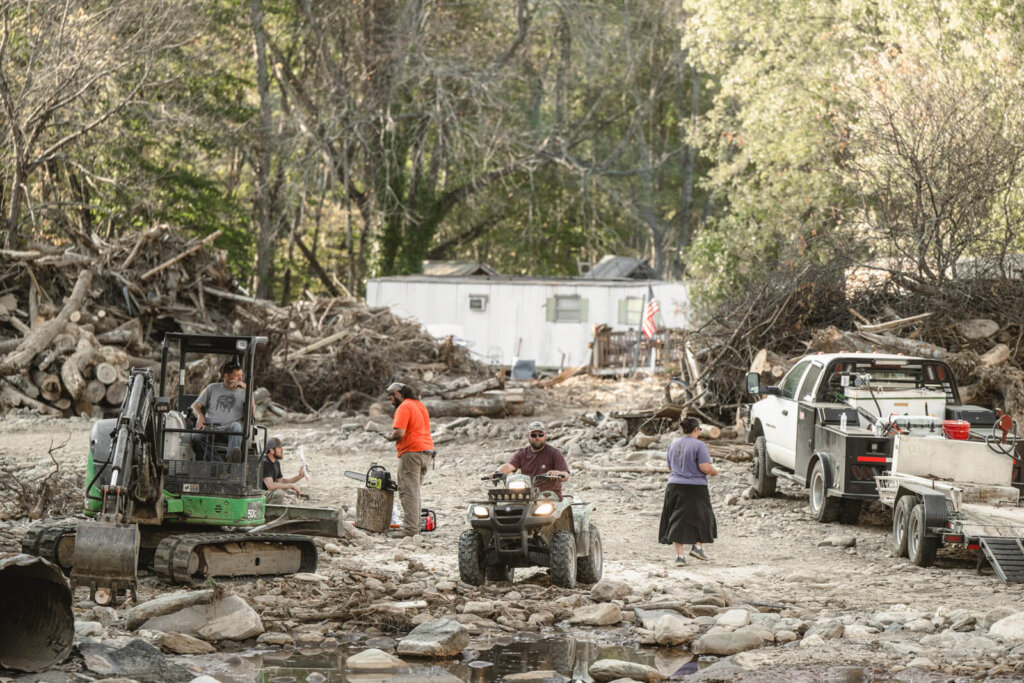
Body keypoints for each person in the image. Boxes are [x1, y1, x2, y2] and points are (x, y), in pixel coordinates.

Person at [658, 416, 719, 565]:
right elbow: (704, 467)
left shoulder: (673, 444)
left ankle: (680, 557)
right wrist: (714, 471)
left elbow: (669, 467)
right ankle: (697, 547)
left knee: (676, 519)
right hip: (695, 487)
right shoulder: (699, 445)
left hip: (673, 486)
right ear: (696, 429)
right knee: (703, 517)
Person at [384, 382, 434, 538]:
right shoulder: (419, 405)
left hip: (411, 453)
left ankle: (411, 530)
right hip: (426, 451)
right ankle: (415, 527)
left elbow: (399, 432)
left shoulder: (404, 407)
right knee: (415, 490)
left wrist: (390, 436)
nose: (391, 402)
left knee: (408, 491)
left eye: (391, 398)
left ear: (398, 394)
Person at [191, 359, 250, 462]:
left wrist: (248, 390)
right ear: (226, 376)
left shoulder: (244, 392)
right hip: (211, 428)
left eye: (241, 376)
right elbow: (195, 406)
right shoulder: (212, 388)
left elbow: (252, 410)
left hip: (230, 430)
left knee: (237, 426)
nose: (240, 379)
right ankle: (221, 465)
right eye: (237, 376)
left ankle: (231, 459)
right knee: (196, 436)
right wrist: (200, 417)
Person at [496, 421, 570, 499]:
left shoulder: (554, 453)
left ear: (545, 435)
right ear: (528, 436)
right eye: (533, 435)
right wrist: (497, 473)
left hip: (549, 495)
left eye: (540, 435)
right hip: (527, 494)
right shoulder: (522, 453)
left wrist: (557, 473)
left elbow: (566, 475)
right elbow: (509, 466)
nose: (537, 438)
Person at [260, 437, 304, 503]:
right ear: (272, 451)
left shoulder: (276, 462)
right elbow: (271, 486)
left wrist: (299, 476)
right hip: (260, 495)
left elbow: (281, 481)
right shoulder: (265, 463)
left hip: (268, 493)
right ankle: (270, 511)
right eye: (279, 448)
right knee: (279, 494)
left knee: (291, 492)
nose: (282, 450)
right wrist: (291, 485)